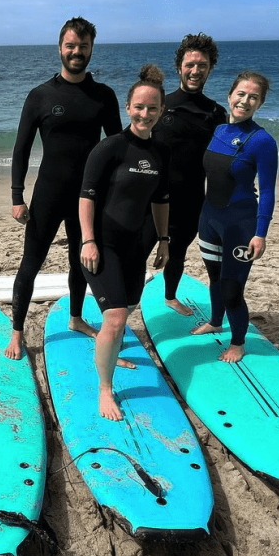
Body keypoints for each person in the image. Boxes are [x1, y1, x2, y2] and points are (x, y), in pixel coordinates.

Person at [5, 17, 122, 360]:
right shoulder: (41, 96)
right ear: (60, 48)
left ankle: (75, 318)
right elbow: (21, 148)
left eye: (83, 46)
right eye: (71, 45)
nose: (77, 52)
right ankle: (17, 332)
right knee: (31, 262)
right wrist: (16, 196)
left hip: (88, 196)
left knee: (80, 262)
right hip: (49, 194)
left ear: (91, 50)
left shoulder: (103, 96)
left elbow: (116, 148)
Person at [79, 65, 171, 421]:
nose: (144, 114)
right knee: (116, 318)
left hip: (137, 244)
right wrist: (88, 241)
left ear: (161, 111)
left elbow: (160, 200)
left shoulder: (161, 153)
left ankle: (109, 346)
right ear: (128, 108)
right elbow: (86, 197)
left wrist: (163, 240)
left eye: (152, 108)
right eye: (138, 107)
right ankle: (105, 388)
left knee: (128, 306)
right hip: (102, 243)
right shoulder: (110, 148)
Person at [190, 71, 278, 363]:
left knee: (232, 288)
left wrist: (260, 232)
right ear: (230, 96)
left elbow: (266, 190)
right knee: (213, 277)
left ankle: (238, 343)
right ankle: (216, 321)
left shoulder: (262, 141)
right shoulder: (217, 131)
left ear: (260, 104)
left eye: (254, 97)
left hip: (240, 224)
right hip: (209, 219)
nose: (245, 100)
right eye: (241, 93)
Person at [144, 32, 227, 315]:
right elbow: (136, 145)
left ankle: (169, 296)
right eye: (190, 64)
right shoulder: (160, 104)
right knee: (136, 253)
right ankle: (122, 306)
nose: (195, 70)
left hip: (191, 199)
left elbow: (220, 160)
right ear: (179, 66)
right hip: (151, 198)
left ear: (210, 69)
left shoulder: (216, 113)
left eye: (202, 65)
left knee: (177, 253)